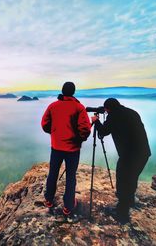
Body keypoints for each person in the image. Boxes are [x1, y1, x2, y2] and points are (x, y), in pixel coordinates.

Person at [91, 98, 151, 223]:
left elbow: (103, 131)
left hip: (129, 155)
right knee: (132, 177)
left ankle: (122, 215)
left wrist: (96, 121)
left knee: (123, 179)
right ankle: (130, 200)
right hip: (144, 153)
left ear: (108, 109)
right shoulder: (132, 112)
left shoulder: (113, 117)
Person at [41, 82, 91, 216]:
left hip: (56, 146)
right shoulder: (79, 107)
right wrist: (80, 139)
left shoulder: (53, 106)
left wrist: (55, 133)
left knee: (53, 173)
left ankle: (49, 200)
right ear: (73, 92)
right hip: (73, 149)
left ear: (62, 91)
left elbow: (45, 124)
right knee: (70, 176)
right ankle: (68, 206)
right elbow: (85, 129)